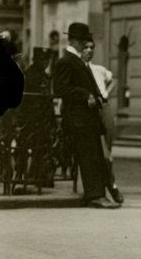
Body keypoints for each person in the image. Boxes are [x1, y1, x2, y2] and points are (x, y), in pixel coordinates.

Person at [51, 22, 117, 209]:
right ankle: (95, 196)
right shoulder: (66, 61)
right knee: (89, 158)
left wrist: (95, 96)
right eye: (83, 41)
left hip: (88, 118)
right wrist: (84, 94)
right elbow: (60, 88)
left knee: (94, 156)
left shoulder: (76, 60)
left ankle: (99, 194)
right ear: (76, 41)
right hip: (79, 119)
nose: (85, 44)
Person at [81, 39, 123, 204]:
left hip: (104, 108)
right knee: (101, 153)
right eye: (86, 47)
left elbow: (113, 80)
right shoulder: (79, 69)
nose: (89, 50)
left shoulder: (98, 69)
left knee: (108, 153)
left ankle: (110, 185)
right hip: (91, 112)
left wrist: (105, 94)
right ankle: (111, 187)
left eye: (92, 47)